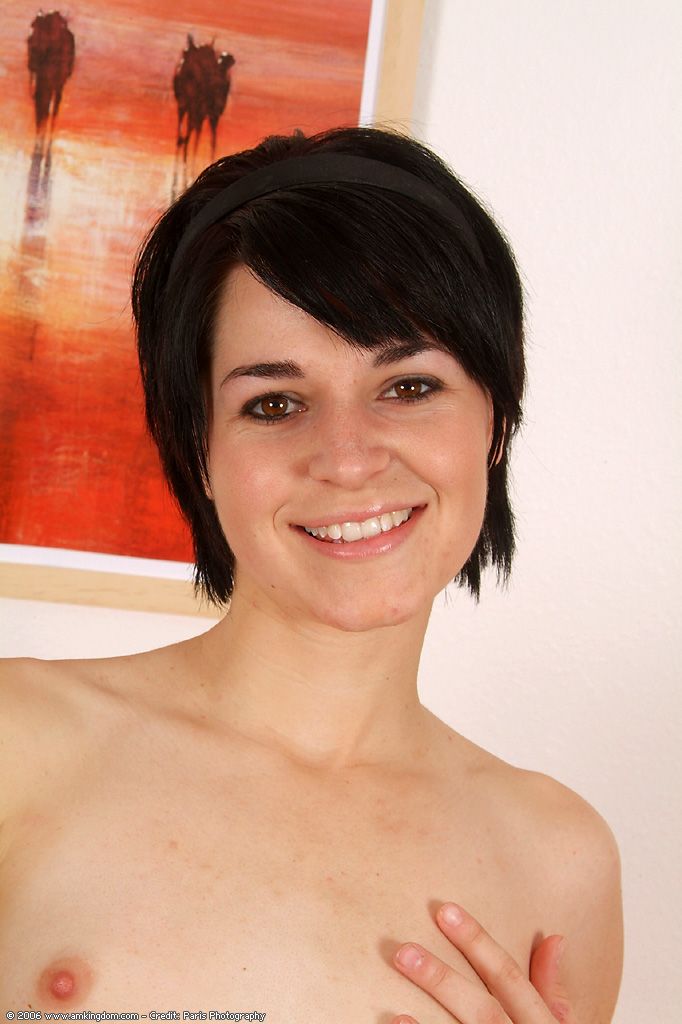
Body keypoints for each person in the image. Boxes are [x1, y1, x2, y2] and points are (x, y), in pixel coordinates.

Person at [0, 126, 623, 1021]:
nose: (348, 458)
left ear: (495, 422)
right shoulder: (18, 742)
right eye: (274, 403)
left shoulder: (560, 859)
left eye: (409, 387)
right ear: (199, 451)